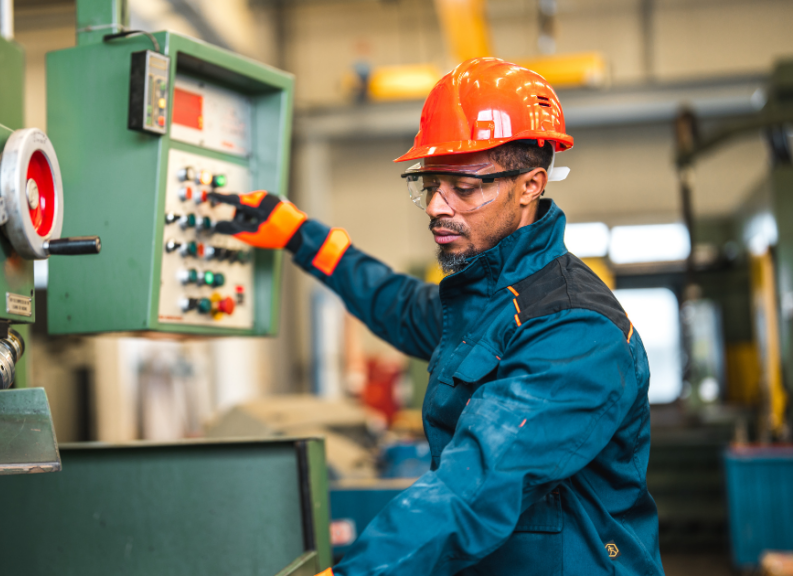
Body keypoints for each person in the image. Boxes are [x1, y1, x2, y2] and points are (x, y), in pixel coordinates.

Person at [210, 57, 663, 576]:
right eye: (431, 184)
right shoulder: (487, 300)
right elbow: (398, 305)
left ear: (531, 185)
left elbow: (477, 484)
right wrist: (301, 237)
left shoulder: (574, 329)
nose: (436, 207)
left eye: (463, 189)